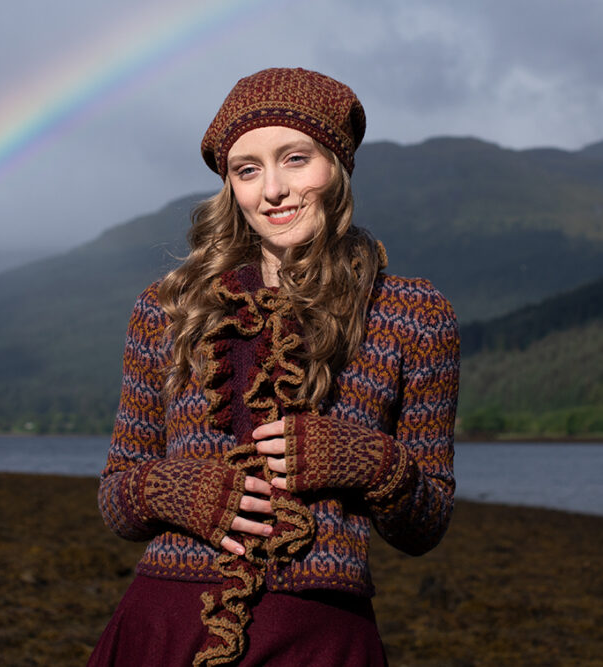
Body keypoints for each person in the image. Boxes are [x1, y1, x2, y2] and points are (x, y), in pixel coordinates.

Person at [89, 67, 460, 666]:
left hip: (319, 637)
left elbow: (427, 524)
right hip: (163, 630)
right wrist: (176, 488)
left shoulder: (414, 315)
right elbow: (117, 498)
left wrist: (368, 460)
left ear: (336, 165)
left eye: (294, 158)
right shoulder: (166, 310)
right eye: (248, 169)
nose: (272, 190)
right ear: (230, 186)